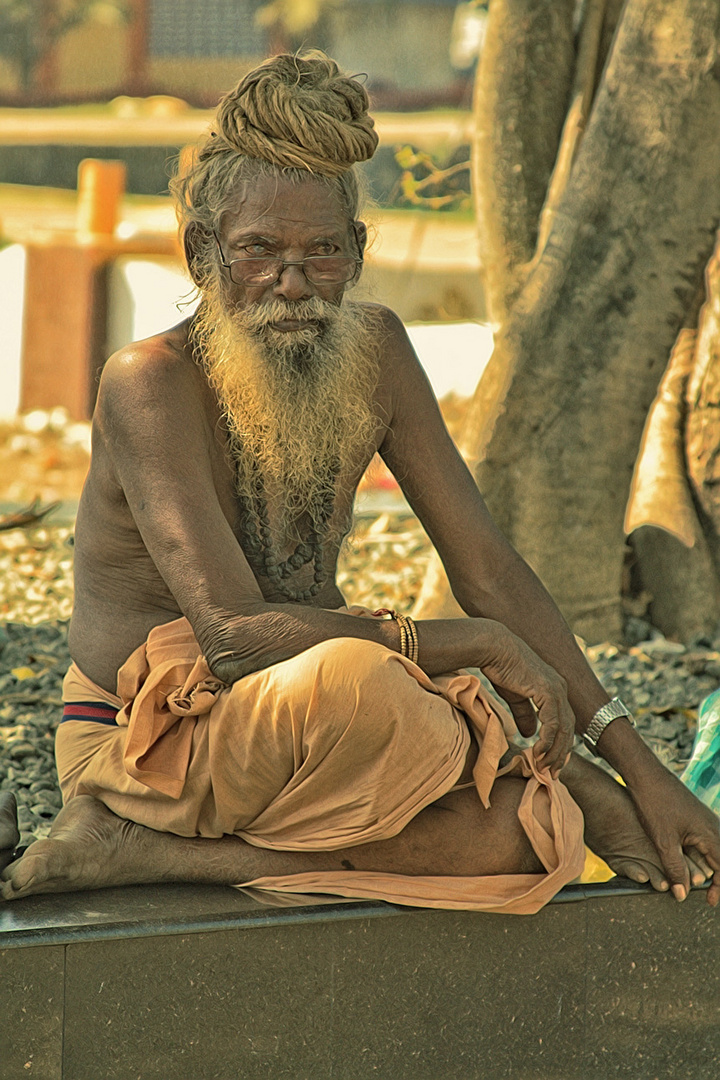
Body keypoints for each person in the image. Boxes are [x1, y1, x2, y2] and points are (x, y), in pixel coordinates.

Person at [2, 52, 719, 912]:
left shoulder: (375, 350)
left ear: (359, 251)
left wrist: (641, 768)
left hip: (323, 727)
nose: (292, 284)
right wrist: (484, 650)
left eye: (322, 254)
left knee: (520, 837)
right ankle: (126, 819)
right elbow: (231, 637)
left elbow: (487, 568)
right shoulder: (147, 382)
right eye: (258, 252)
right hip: (150, 743)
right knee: (370, 682)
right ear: (202, 252)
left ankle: (145, 853)